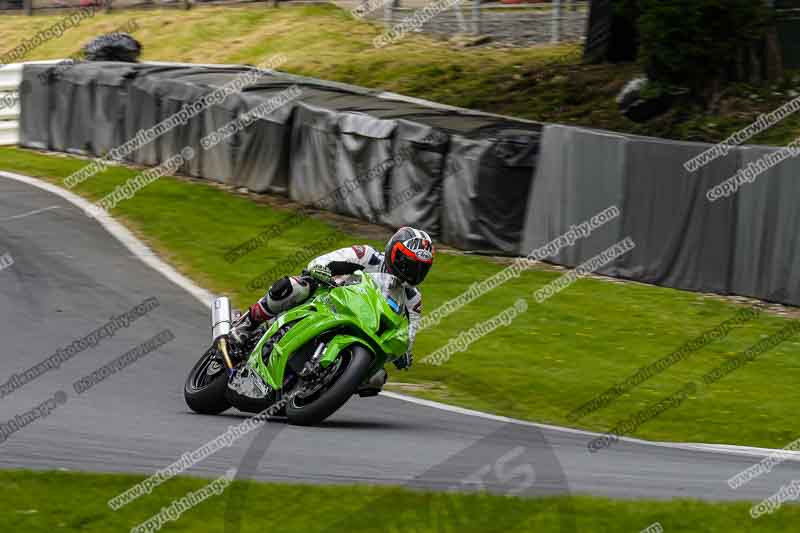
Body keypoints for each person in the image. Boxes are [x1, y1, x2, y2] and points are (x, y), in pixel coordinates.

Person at [232, 227, 435, 394]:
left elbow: (408, 334)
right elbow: (326, 260)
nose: (412, 273)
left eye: (420, 268)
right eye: (408, 264)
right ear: (394, 253)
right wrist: (321, 269)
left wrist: (404, 353)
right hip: (329, 300)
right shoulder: (368, 256)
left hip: (366, 328)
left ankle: (322, 387)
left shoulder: (413, 298)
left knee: (377, 378)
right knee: (294, 287)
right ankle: (246, 324)